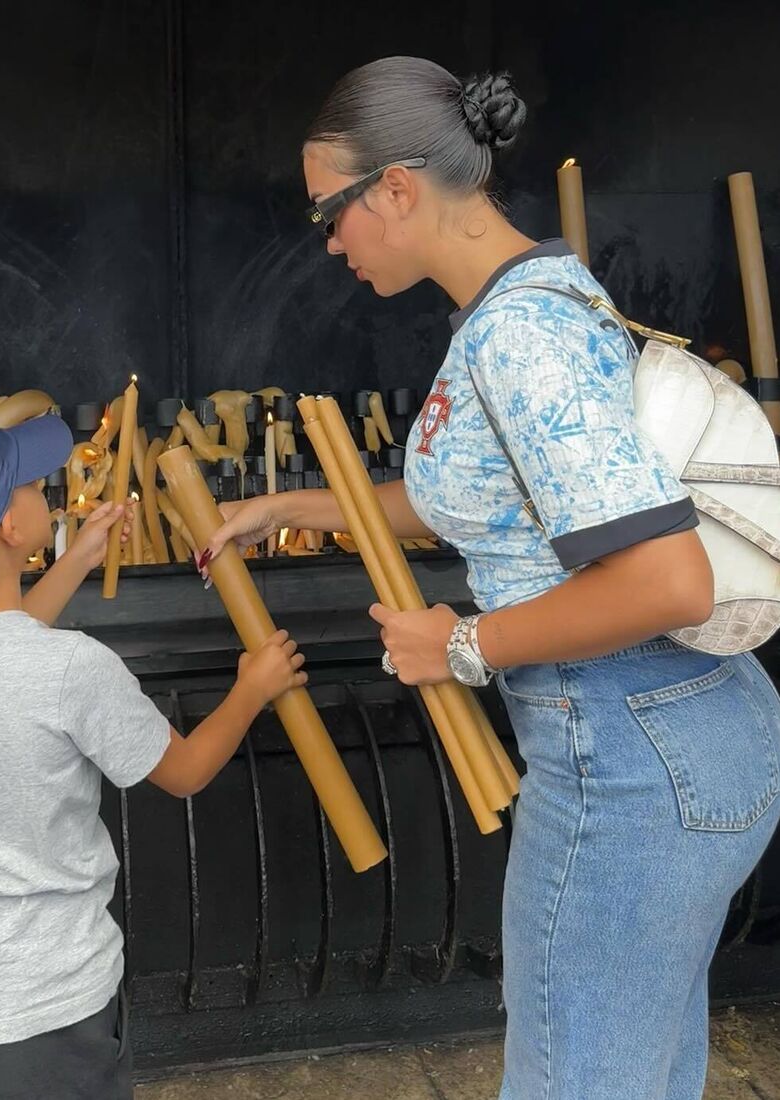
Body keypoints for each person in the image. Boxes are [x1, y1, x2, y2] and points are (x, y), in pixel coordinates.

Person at [201, 57, 780, 1100]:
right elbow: (484, 492)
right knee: (634, 1070)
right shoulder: (529, 297)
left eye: (327, 213)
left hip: (628, 756)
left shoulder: (522, 335)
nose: (327, 242)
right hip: (672, 736)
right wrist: (294, 507)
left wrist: (461, 643)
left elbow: (668, 581)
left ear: (394, 187)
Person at [0, 414, 306, 1100]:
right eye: (29, 483)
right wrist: (252, 690)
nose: (47, 486)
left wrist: (75, 561)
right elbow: (182, 773)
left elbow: (0, 652)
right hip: (49, 1000)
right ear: (10, 528)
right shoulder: (71, 669)